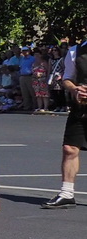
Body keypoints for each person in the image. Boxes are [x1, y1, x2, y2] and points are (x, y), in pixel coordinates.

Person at [49, 36, 83, 209]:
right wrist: (74, 89)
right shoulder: (74, 51)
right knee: (69, 148)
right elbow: (67, 79)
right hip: (82, 108)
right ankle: (67, 193)